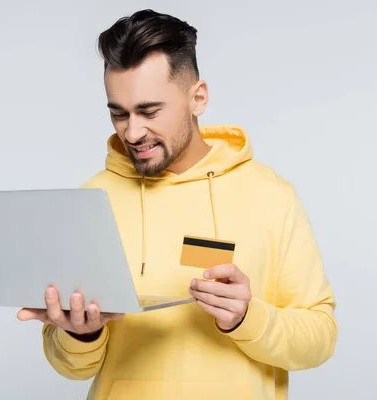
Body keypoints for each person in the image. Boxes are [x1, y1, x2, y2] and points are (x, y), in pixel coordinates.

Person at [17, 9, 337, 400]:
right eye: (119, 113)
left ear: (197, 98)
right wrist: (81, 333)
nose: (132, 132)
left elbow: (320, 339)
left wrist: (249, 318)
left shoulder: (272, 195)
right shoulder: (91, 200)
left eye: (150, 112)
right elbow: (70, 366)